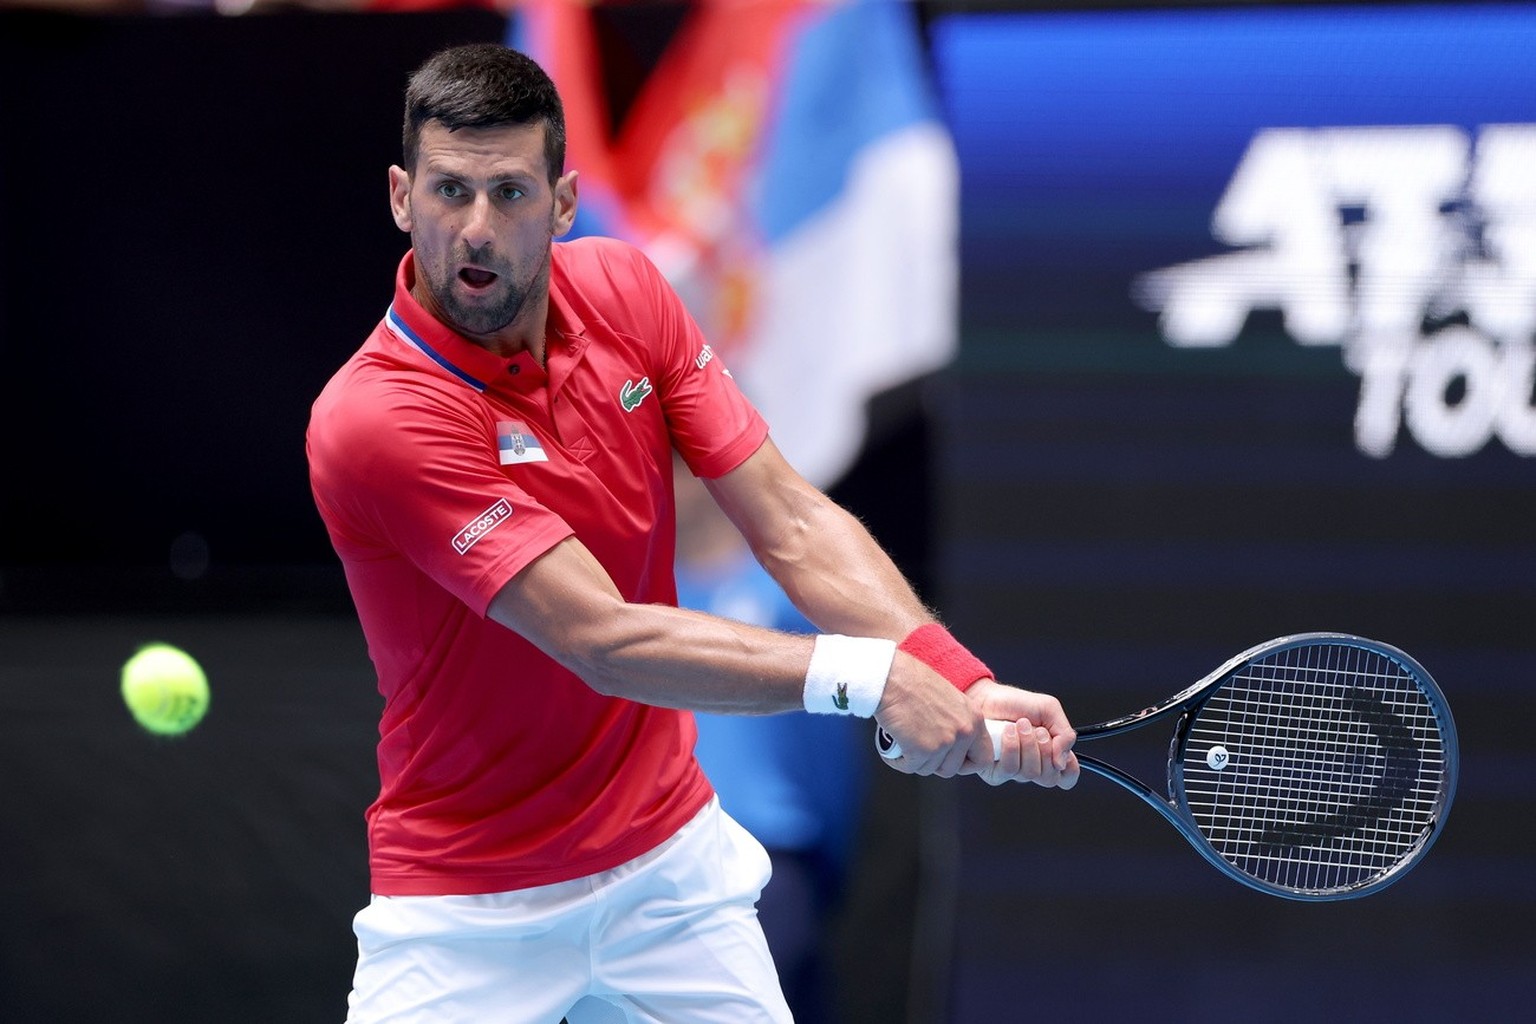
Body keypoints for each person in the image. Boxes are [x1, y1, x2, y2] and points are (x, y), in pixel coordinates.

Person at [305, 42, 1079, 1024]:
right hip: (468, 909)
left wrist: (952, 673)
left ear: (566, 201)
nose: (477, 228)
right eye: (450, 191)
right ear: (400, 197)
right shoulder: (378, 418)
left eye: (510, 193)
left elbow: (790, 521)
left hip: (668, 877)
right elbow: (601, 638)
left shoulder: (629, 293)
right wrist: (872, 678)